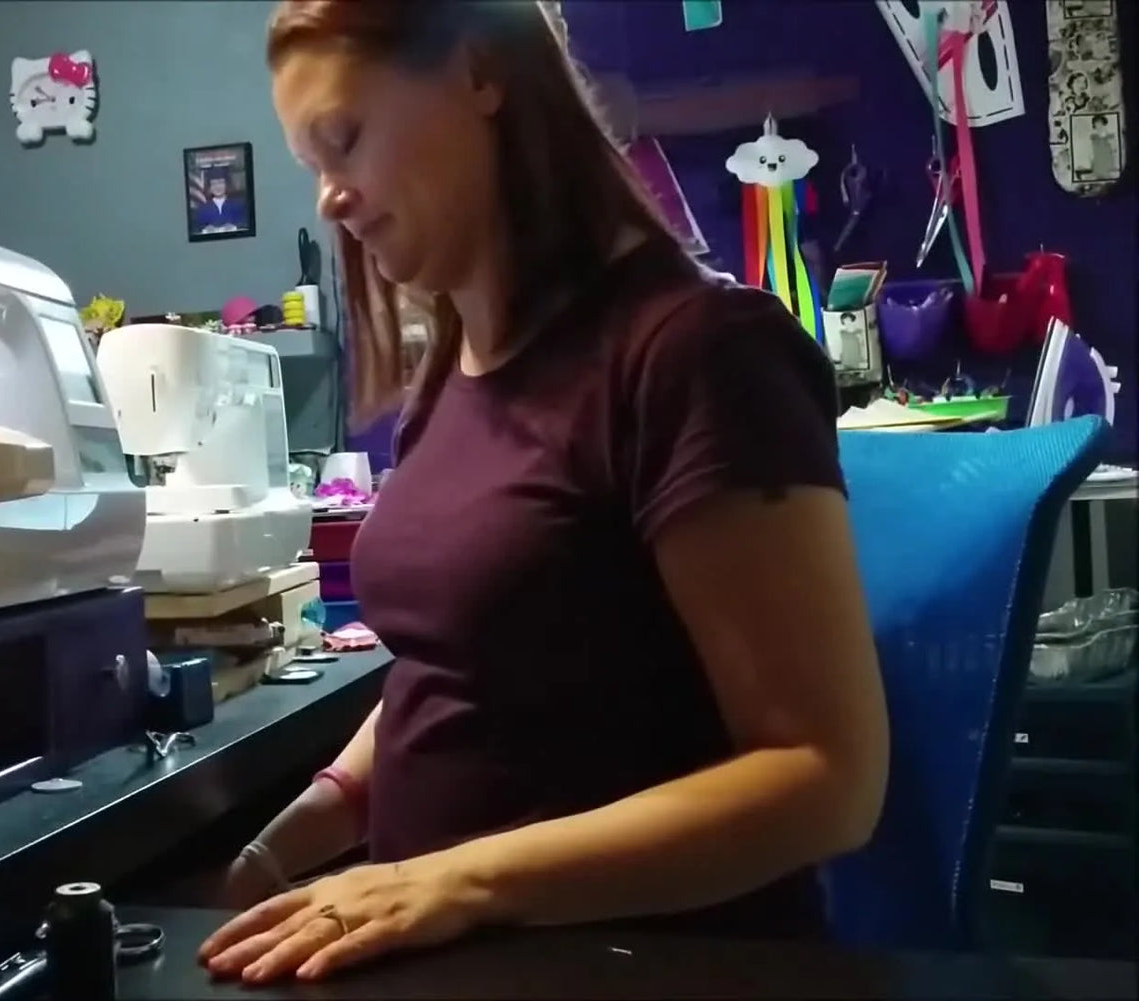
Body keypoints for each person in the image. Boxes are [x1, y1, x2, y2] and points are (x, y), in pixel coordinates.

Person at [197, 0, 888, 985]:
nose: (327, 200)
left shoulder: (695, 353)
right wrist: (297, 832)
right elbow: (457, 665)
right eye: (312, 165)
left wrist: (452, 881)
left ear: (480, 74)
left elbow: (825, 779)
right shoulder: (455, 371)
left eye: (342, 141)